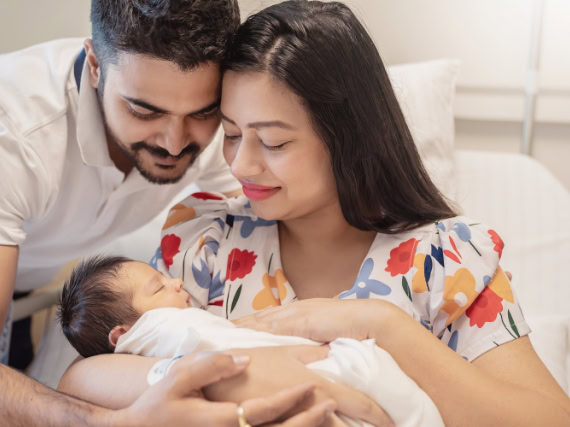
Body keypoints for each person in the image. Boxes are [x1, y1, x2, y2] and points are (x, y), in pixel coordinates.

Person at [59, 1, 570, 426]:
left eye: (274, 141)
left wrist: (382, 325)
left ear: (345, 138)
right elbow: (83, 380)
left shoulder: (446, 260)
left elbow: (547, 418)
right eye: (232, 134)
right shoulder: (204, 243)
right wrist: (285, 378)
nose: (242, 163)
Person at [0, 0, 242, 369]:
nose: (174, 144)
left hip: (29, 282)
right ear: (95, 66)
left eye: (202, 112)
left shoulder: (222, 133)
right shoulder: (17, 134)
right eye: (145, 111)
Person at [57, 255, 444, 426]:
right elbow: (213, 347)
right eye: (159, 287)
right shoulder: (162, 329)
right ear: (124, 335)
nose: (176, 281)